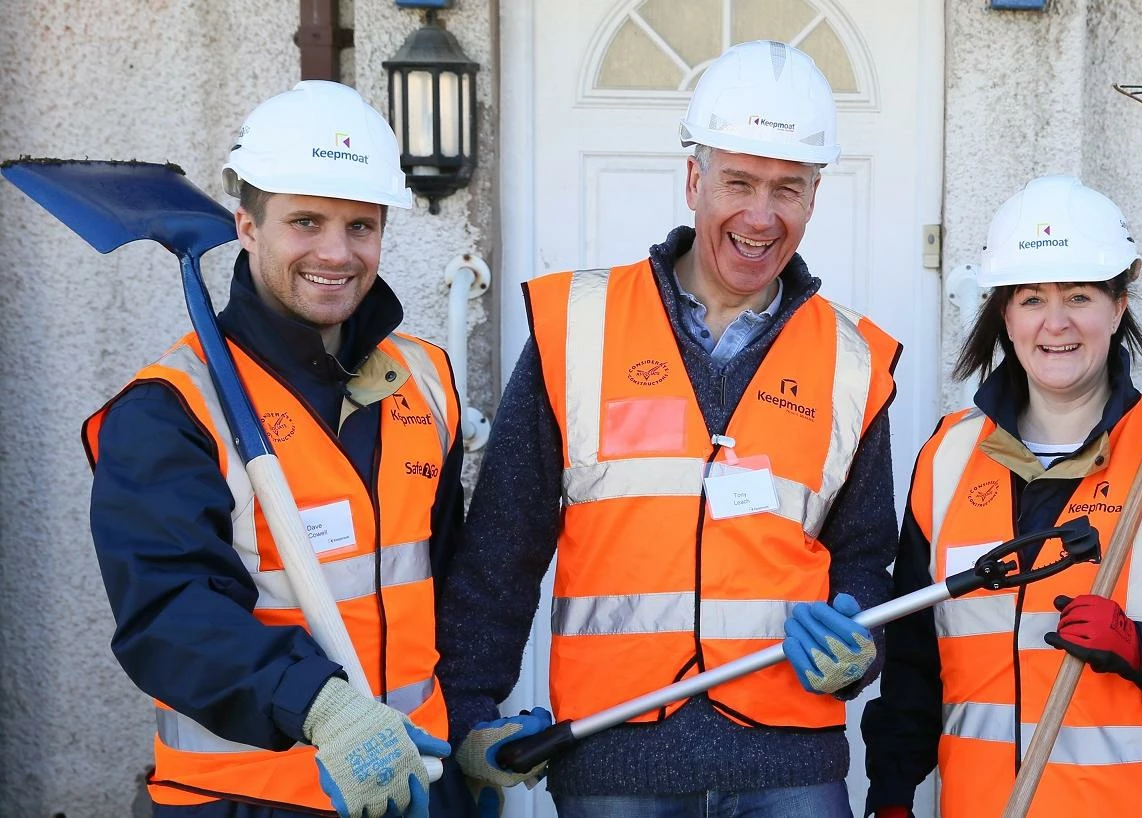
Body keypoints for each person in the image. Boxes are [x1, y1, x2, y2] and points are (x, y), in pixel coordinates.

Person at [435, 40, 901, 817]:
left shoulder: (856, 361)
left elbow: (864, 561)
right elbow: (499, 551)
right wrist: (469, 715)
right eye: (739, 182)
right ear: (694, 179)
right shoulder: (576, 329)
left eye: (787, 188)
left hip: (790, 765)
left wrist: (859, 650)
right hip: (614, 760)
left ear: (814, 199)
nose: (761, 215)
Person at [85, 80, 470, 817]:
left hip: (412, 780)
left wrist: (471, 725)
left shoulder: (424, 382)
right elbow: (169, 616)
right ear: (248, 226)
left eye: (361, 225)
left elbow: (449, 580)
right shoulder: (173, 408)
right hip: (249, 798)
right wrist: (320, 705)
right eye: (306, 222)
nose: (337, 251)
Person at [861, 175, 1142, 818]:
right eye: (1031, 298)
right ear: (1005, 313)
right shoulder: (947, 458)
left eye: (1079, 295)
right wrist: (890, 793)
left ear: (1118, 305)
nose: (1055, 324)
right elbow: (916, 659)